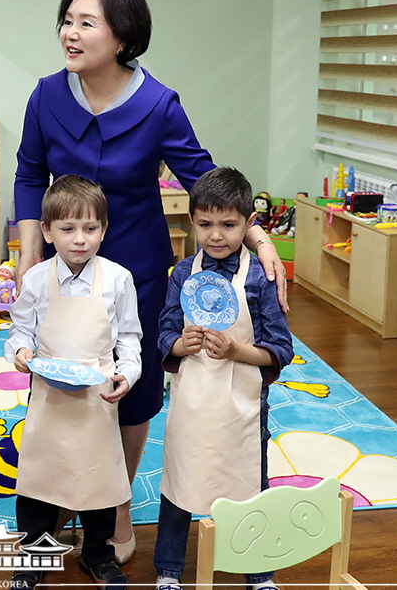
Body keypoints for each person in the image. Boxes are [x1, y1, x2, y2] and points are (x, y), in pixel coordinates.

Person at [12, 0, 288, 559]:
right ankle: (64, 492)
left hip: (135, 264)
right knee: (63, 379)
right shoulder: (45, 95)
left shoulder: (159, 104)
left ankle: (113, 507)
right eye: (68, 19)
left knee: (129, 391)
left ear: (122, 36)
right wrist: (30, 249)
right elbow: (30, 172)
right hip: (64, 266)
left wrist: (259, 236)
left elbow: (202, 178)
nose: (70, 32)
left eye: (87, 22)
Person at [154, 167, 293, 590]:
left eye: (229, 225)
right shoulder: (182, 274)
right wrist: (181, 344)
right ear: (192, 221)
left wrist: (236, 352)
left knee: (251, 480)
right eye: (205, 224)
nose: (216, 235)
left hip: (244, 402)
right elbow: (163, 333)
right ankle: (169, 569)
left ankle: (258, 570)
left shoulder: (258, 276)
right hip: (193, 397)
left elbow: (280, 348)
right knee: (180, 479)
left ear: (249, 224)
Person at [5, 175, 139, 590]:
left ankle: (98, 554)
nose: (79, 239)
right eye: (67, 229)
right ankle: (33, 553)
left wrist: (126, 374)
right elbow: (20, 332)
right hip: (48, 394)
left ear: (104, 229)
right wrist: (21, 355)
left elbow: (129, 339)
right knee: (40, 478)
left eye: (90, 228)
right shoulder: (35, 279)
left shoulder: (118, 279)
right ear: (46, 231)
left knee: (97, 477)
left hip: (97, 395)